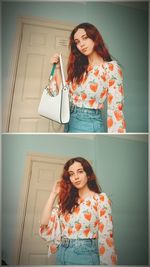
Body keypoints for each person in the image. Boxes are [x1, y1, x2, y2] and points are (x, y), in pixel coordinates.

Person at [39, 157, 118, 265]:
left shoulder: (100, 199)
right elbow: (44, 223)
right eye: (71, 174)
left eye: (80, 172)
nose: (75, 177)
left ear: (88, 174)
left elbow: (106, 238)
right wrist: (53, 194)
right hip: (62, 253)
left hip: (85, 256)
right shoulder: (67, 202)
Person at [51, 22, 126, 133]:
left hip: (89, 122)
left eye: (85, 38)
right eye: (77, 42)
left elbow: (116, 110)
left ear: (95, 38)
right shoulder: (79, 68)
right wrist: (57, 68)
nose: (81, 44)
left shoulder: (110, 68)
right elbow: (63, 91)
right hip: (69, 119)